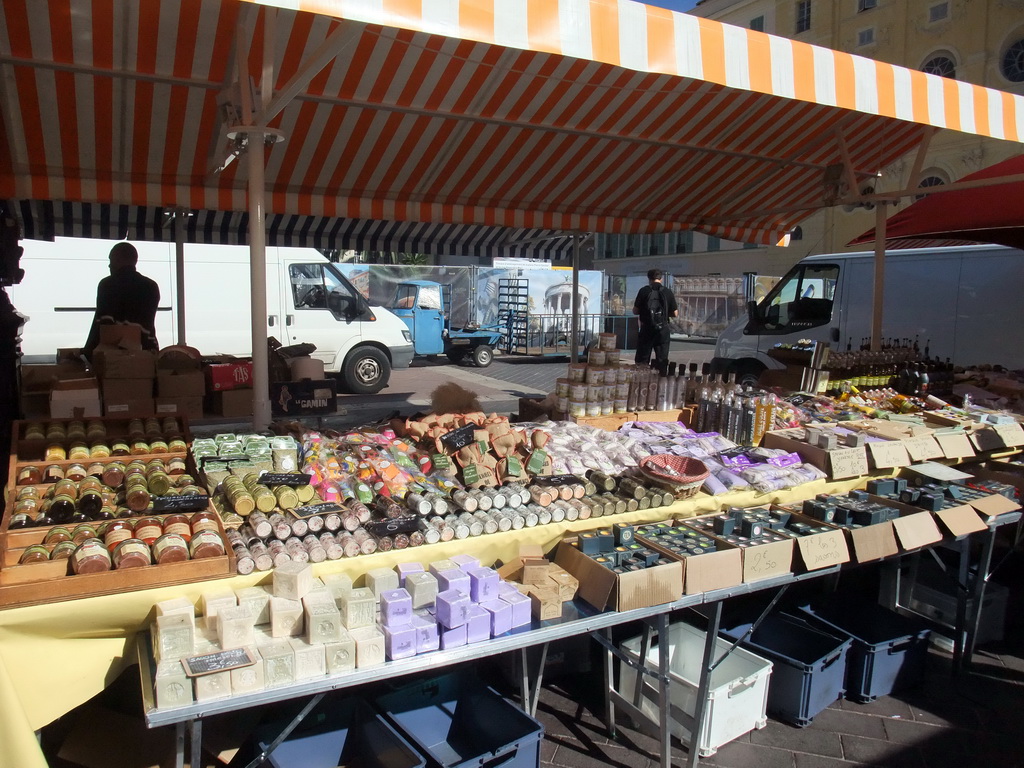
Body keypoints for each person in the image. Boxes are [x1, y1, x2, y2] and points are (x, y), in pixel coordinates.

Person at [83, 242, 160, 360]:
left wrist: (86, 352)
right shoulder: (151, 286)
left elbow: (104, 324)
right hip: (147, 352)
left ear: (118, 259)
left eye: (111, 260)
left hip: (114, 357)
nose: (109, 265)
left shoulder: (107, 285)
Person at [632, 268, 678, 370]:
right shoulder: (668, 292)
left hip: (647, 329)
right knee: (662, 360)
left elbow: (635, 311)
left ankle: (642, 381)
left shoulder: (644, 291)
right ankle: (659, 381)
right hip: (662, 330)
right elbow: (675, 313)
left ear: (649, 278)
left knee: (642, 360)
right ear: (660, 278)